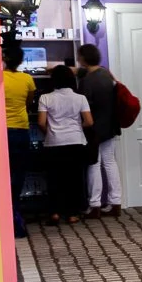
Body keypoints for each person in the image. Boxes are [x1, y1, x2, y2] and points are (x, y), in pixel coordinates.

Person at [35, 65, 93, 225]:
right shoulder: (80, 98)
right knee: (74, 179)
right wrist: (75, 129)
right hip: (75, 142)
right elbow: (89, 121)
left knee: (54, 179)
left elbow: (40, 122)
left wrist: (51, 132)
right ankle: (72, 214)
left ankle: (54, 212)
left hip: (53, 143)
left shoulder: (45, 98)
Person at [77, 43, 122, 216]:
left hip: (93, 127)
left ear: (83, 58)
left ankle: (94, 204)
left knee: (93, 164)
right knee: (110, 163)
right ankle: (115, 202)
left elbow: (83, 106)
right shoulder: (106, 74)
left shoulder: (87, 81)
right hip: (110, 125)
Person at [2, 40, 37, 239]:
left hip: (2, 130)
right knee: (18, 176)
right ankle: (16, 215)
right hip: (21, 129)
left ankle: (8, 217)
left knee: (2, 176)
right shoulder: (27, 79)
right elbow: (29, 101)